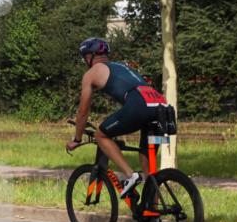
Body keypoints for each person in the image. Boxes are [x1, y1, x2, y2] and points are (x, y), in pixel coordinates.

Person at [66, 37, 167, 199]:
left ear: (89, 56)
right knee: (148, 166)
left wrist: (77, 139)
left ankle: (130, 176)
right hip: (162, 106)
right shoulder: (121, 66)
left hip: (140, 105)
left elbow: (83, 111)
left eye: (85, 57)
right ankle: (153, 216)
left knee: (101, 134)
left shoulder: (91, 73)